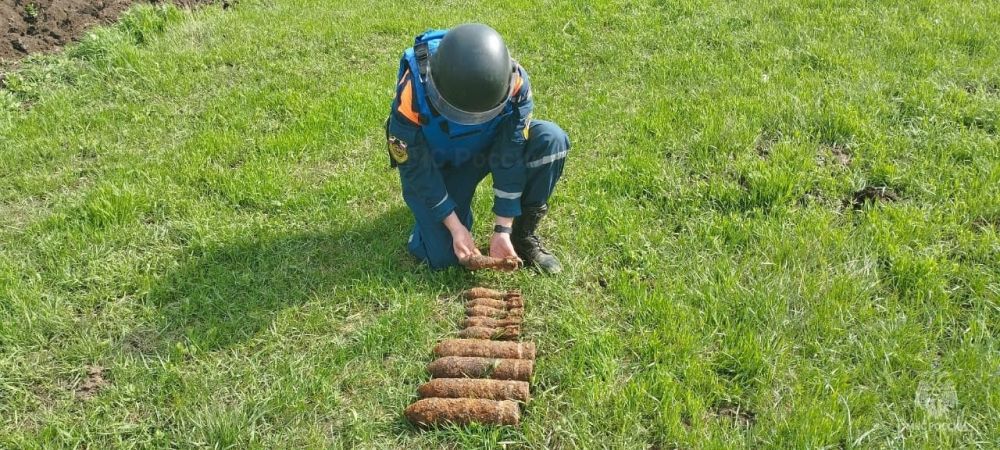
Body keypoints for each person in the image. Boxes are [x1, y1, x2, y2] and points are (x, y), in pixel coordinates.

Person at [385, 23, 570, 274]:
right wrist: (455, 227)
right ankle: (432, 225)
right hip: (439, 162)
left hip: (488, 147)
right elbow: (416, 168)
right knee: (444, 257)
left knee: (551, 140)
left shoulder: (513, 81)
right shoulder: (412, 91)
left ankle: (521, 235)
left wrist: (503, 227)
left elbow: (510, 151)